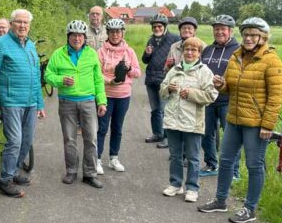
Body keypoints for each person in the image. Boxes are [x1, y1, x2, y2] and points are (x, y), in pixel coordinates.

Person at [197, 17, 282, 223]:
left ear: (263, 37)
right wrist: (221, 84)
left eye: (254, 35)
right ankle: (220, 200)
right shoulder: (237, 56)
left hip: (256, 124)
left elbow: (275, 97)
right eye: (246, 34)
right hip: (234, 118)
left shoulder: (271, 61)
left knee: (254, 165)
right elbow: (230, 87)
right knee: (225, 161)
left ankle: (249, 208)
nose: (249, 38)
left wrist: (268, 125)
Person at [0, 9, 46, 197]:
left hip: (30, 103)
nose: (22, 26)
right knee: (15, 141)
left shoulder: (30, 46)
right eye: (18, 22)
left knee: (26, 141)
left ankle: (14, 170)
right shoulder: (0, 44)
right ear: (11, 24)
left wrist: (40, 103)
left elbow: (36, 76)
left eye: (26, 23)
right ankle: (4, 181)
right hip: (11, 101)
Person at [44, 20, 107, 188]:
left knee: (91, 138)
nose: (77, 38)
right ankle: (71, 170)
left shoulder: (92, 54)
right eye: (73, 35)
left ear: (84, 37)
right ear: (68, 37)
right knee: (69, 139)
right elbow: (48, 75)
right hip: (67, 102)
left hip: (88, 101)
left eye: (80, 35)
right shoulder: (58, 54)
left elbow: (98, 80)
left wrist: (101, 101)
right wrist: (60, 80)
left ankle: (90, 174)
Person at [159, 37, 218, 203]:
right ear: (183, 51)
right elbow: (162, 90)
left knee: (193, 157)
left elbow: (212, 95)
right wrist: (168, 89)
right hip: (172, 120)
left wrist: (192, 94)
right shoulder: (174, 69)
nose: (190, 53)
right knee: (175, 155)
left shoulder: (204, 71)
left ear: (199, 53)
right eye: (187, 49)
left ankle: (192, 187)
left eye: (194, 50)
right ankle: (176, 184)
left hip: (192, 122)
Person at [96, 18, 142, 174]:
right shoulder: (101, 51)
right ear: (107, 33)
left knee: (117, 128)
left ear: (122, 33)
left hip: (123, 95)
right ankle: (97, 159)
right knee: (102, 128)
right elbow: (96, 74)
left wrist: (128, 69)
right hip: (106, 95)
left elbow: (137, 72)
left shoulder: (129, 52)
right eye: (112, 32)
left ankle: (114, 158)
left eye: (118, 31)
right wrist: (109, 81)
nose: (115, 35)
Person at [199, 14, 241, 178]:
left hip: (227, 100)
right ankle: (211, 165)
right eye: (216, 29)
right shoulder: (208, 49)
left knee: (231, 137)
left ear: (230, 30)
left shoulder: (238, 50)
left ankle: (234, 171)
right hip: (208, 99)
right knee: (206, 134)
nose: (219, 32)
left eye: (223, 29)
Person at [142, 13, 180, 148]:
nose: (157, 29)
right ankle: (157, 134)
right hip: (151, 79)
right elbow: (145, 61)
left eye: (159, 26)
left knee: (166, 110)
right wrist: (147, 53)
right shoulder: (151, 40)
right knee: (155, 110)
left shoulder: (174, 39)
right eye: (154, 27)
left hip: (165, 79)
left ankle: (168, 138)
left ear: (164, 26)